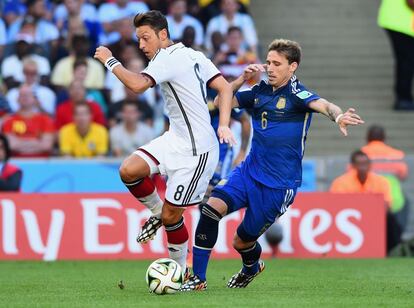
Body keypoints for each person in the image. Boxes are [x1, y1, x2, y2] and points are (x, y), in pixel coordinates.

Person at [181, 39, 364, 291]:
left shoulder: (298, 96)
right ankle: (198, 278)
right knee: (211, 210)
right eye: (268, 62)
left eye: (277, 64)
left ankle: (251, 268)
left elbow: (325, 106)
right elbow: (222, 101)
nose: (270, 68)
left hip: (279, 185)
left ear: (293, 67)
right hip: (248, 172)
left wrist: (339, 115)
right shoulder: (259, 93)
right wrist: (237, 82)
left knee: (241, 242)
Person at [94, 10, 235, 273]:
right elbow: (225, 88)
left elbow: (137, 86)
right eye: (138, 39)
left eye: (145, 38)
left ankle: (178, 270)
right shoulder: (193, 54)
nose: (141, 45)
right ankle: (158, 213)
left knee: (173, 217)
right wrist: (224, 123)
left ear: (163, 35)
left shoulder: (167, 59)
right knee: (129, 170)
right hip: (175, 139)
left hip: (197, 152)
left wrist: (110, 60)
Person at [330, 150, 402, 252]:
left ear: (370, 165)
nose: (362, 167)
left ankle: (393, 250)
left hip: (374, 217)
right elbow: (334, 205)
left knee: (392, 220)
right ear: (353, 166)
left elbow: (386, 204)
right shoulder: (340, 182)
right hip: (348, 220)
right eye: (359, 164)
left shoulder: (381, 181)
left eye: (365, 164)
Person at [361, 125, 410, 230]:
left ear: (367, 137)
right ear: (384, 138)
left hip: (367, 200)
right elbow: (403, 175)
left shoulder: (360, 156)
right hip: (394, 201)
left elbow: (351, 174)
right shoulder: (396, 154)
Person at [378, 0, 414, 110]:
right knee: (407, 60)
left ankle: (403, 97)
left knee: (405, 59)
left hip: (397, 18)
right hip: (402, 21)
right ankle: (404, 99)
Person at [2, 84, 55, 158]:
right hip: (16, 163)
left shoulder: (46, 120)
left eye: (28, 95)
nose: (25, 97)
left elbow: (46, 146)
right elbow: (11, 146)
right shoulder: (9, 121)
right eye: (22, 95)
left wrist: (20, 142)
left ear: (35, 99)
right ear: (17, 99)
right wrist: (36, 142)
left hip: (42, 163)